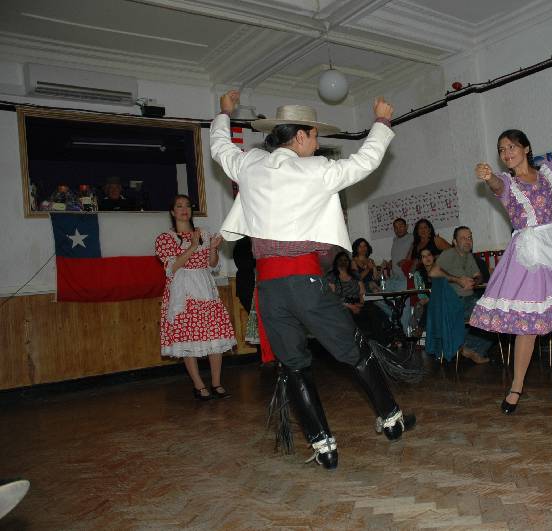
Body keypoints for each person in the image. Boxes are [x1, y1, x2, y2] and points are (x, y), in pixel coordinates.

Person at [210, 90, 414, 470]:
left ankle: (324, 447)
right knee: (354, 349)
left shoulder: (250, 164)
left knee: (294, 365)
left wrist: (223, 113)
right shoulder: (315, 169)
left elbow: (220, 147)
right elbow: (365, 161)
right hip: (304, 283)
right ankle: (391, 418)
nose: (318, 144)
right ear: (301, 135)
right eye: (315, 136)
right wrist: (382, 122)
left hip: (268, 290)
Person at [470, 83, 552, 413]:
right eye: (501, 150)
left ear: (526, 148)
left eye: (511, 146)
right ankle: (516, 387)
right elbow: (495, 184)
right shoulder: (506, 183)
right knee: (527, 323)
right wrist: (488, 176)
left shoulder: (550, 173)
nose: (506, 153)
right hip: (527, 255)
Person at [155, 194, 237, 400]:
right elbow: (172, 267)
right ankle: (199, 385)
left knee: (215, 334)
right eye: (179, 206)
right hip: (183, 291)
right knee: (188, 337)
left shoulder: (203, 233)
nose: (184, 209)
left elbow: (212, 264)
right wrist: (192, 245)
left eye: (187, 206)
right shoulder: (165, 238)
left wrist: (213, 248)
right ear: (172, 212)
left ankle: (216, 382)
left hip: (205, 288)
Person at [432, 226, 491, 364]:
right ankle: (466, 347)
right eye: (463, 238)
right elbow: (433, 273)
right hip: (454, 302)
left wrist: (474, 282)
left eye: (469, 237)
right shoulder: (448, 254)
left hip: (469, 299)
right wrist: (457, 280)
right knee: (487, 314)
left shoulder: (469, 256)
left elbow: (479, 276)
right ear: (454, 242)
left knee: (494, 314)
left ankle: (466, 347)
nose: (468, 241)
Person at [327, 251, 392, 345]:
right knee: (348, 315)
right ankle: (358, 345)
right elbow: (333, 297)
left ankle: (381, 343)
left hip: (358, 301)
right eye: (340, 260)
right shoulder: (332, 276)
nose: (343, 262)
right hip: (343, 304)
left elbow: (362, 292)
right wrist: (351, 306)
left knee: (374, 311)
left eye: (345, 260)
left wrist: (361, 303)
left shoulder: (354, 274)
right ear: (336, 262)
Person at [385, 218, 414, 291]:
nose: (398, 229)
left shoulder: (412, 237)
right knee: (384, 295)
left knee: (402, 297)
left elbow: (416, 255)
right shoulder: (395, 240)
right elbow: (398, 255)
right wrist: (391, 262)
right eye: (396, 228)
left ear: (406, 226)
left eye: (401, 226)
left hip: (405, 277)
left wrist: (407, 260)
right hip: (394, 278)